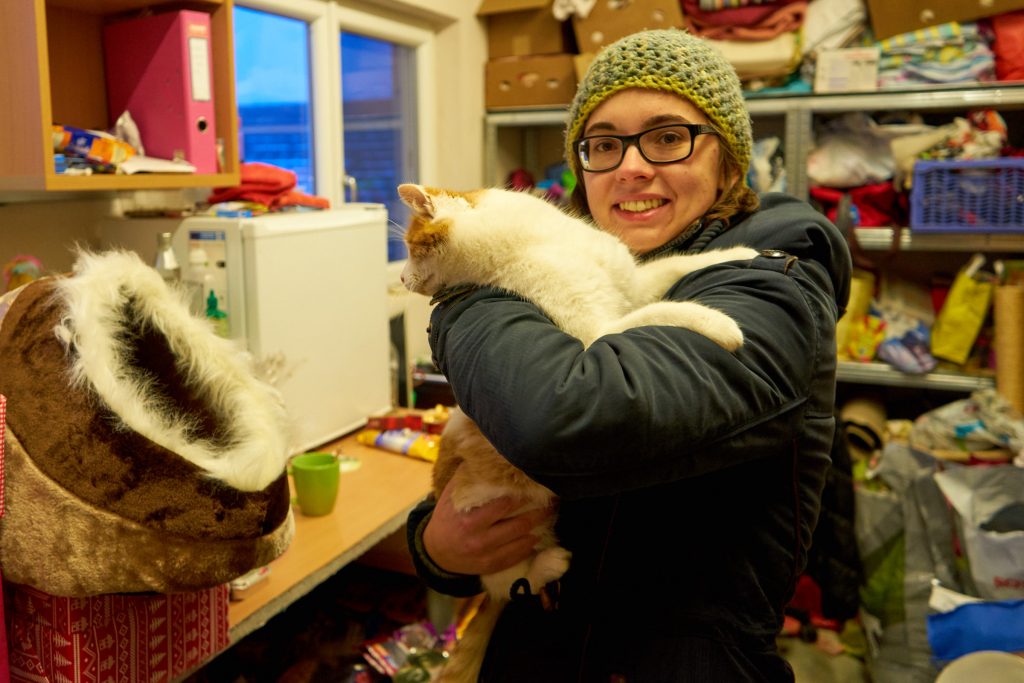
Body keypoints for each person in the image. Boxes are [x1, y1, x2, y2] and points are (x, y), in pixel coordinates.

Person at [407, 28, 852, 682]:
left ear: (728, 162)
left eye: (668, 138)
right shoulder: (585, 266)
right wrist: (436, 544)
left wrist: (462, 277)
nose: (630, 167)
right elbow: (489, 443)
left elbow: (567, 418)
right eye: (604, 144)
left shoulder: (771, 286)